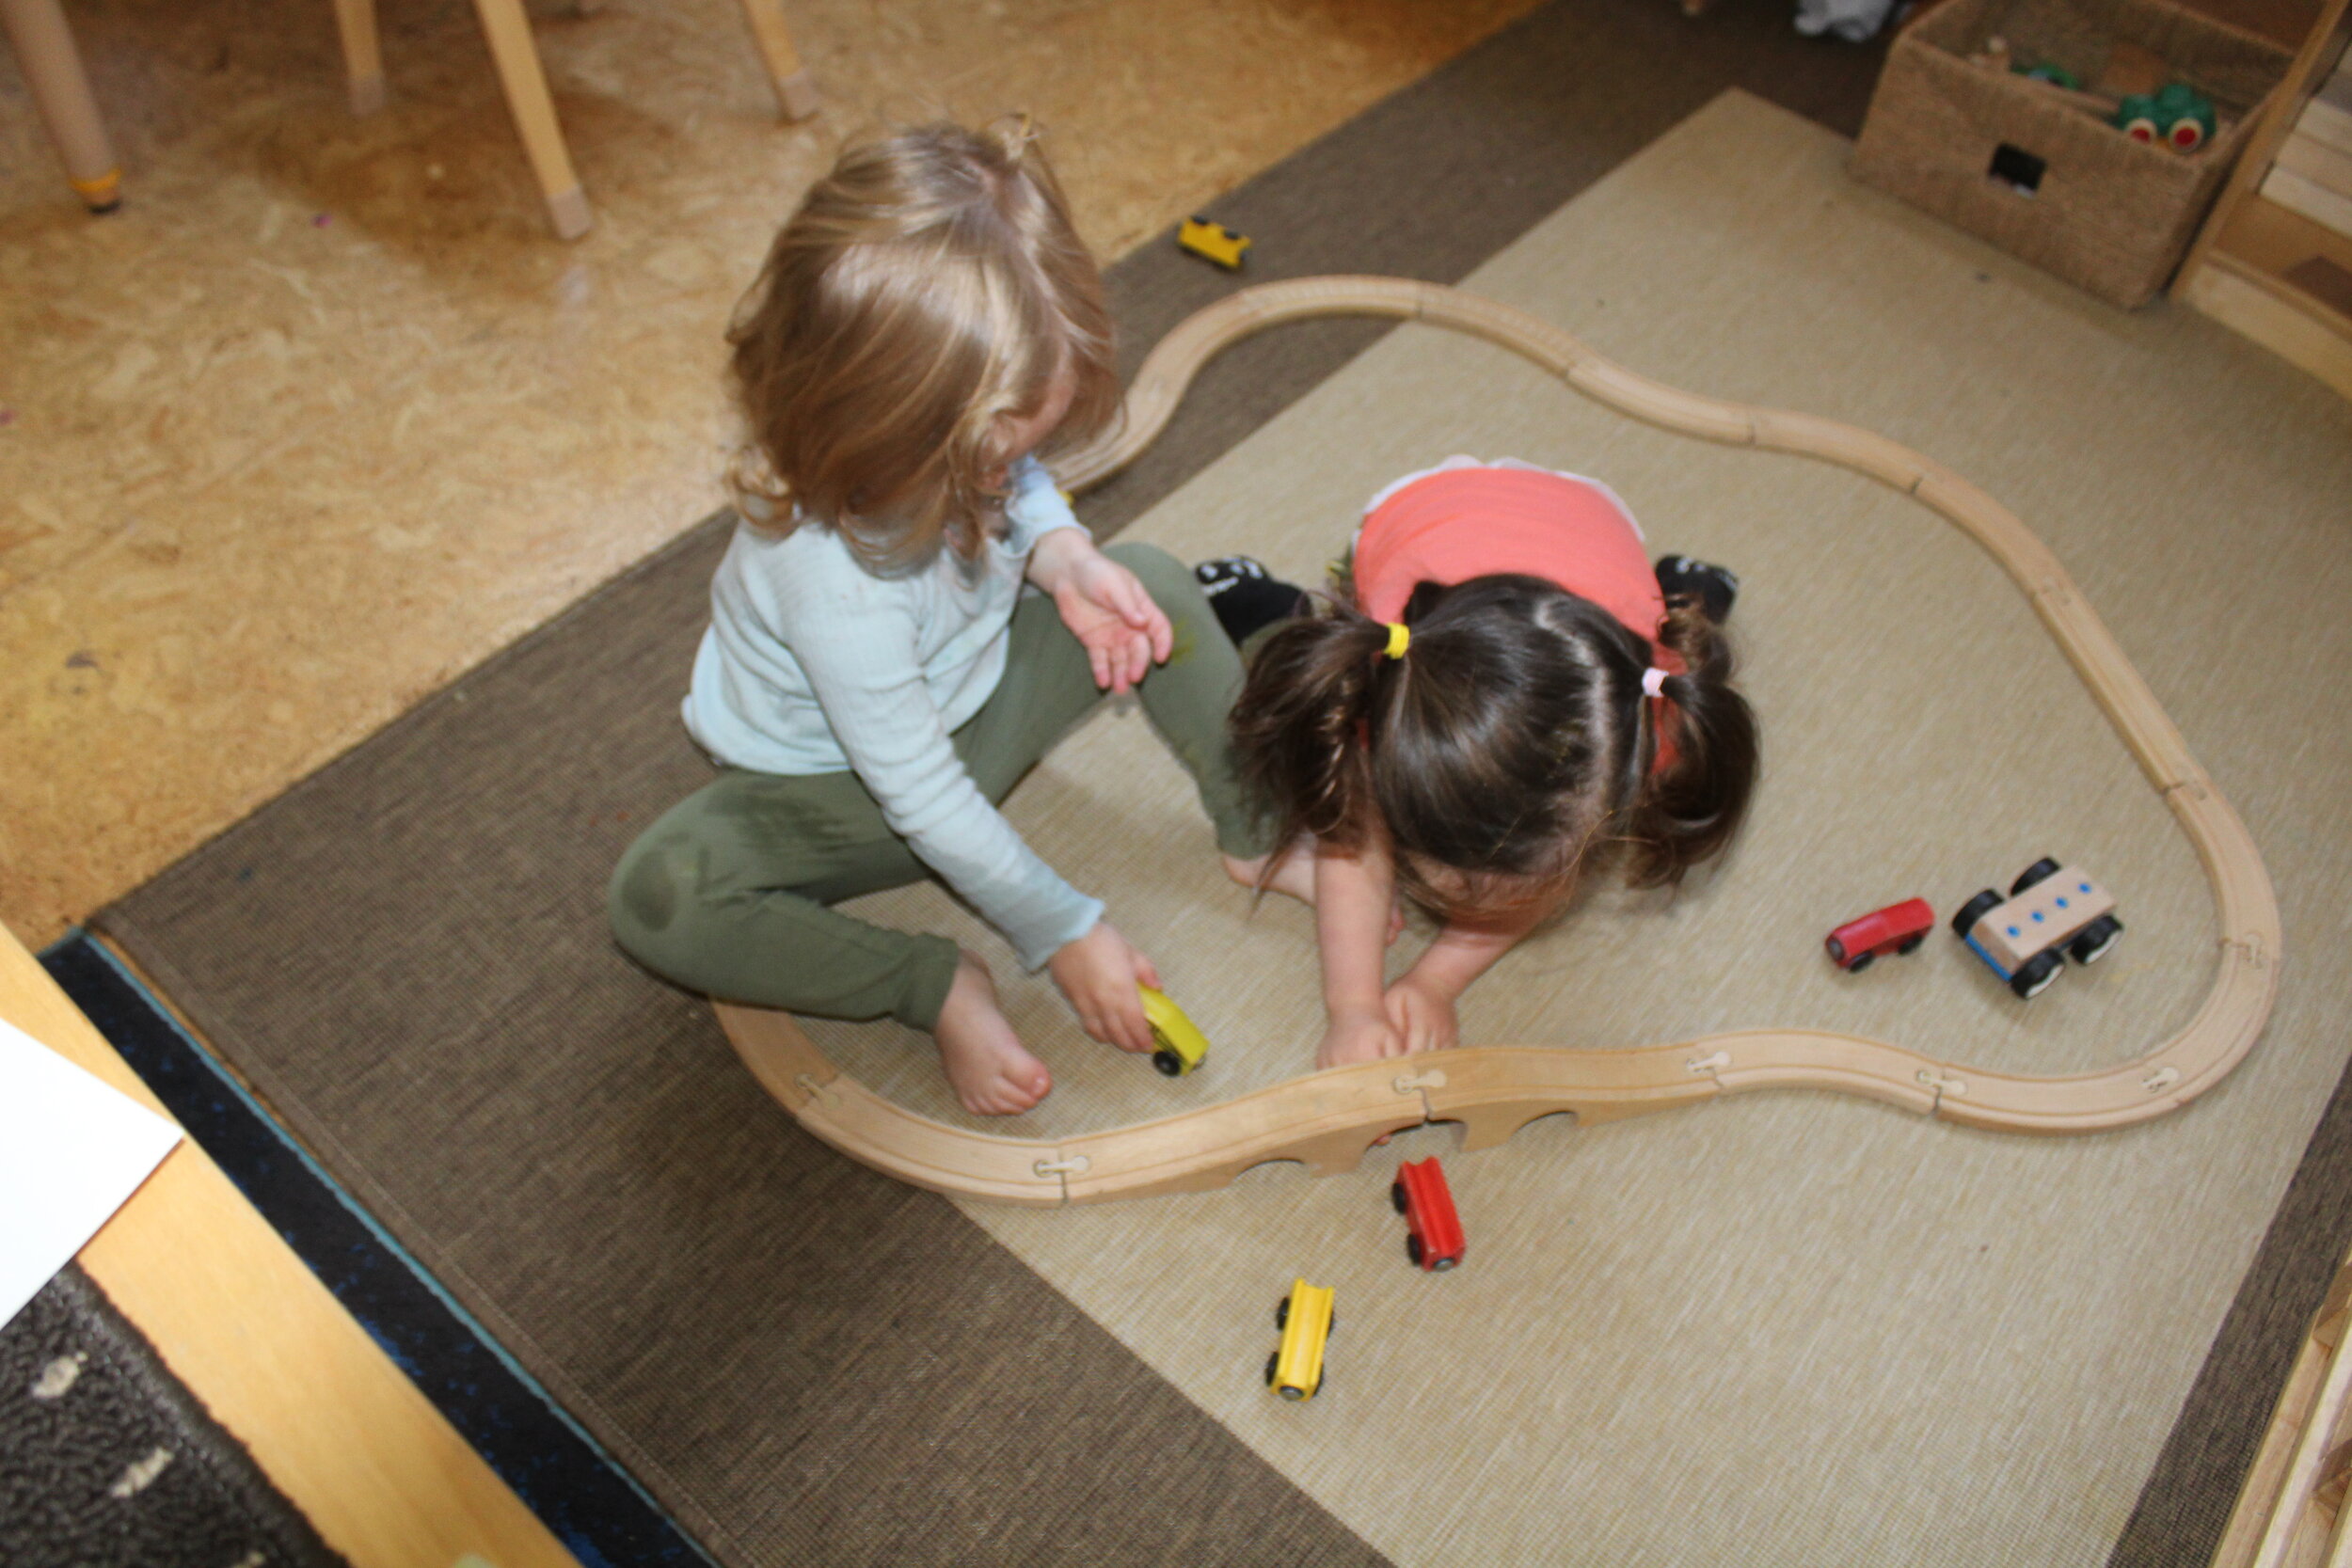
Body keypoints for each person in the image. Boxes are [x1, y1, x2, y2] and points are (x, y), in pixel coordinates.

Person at [608, 119, 1269, 1117]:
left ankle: (1256, 823)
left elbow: (1027, 482)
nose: (1010, 479)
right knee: (660, 896)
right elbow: (921, 796)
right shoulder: (829, 580)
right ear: (877, 431)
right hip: (846, 787)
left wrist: (1064, 554)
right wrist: (1063, 926)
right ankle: (930, 983)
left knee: (1151, 580)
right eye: (992, 467)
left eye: (1015, 456)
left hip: (980, 686)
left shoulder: (952, 442)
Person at [1220, 456, 1758, 1069]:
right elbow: (1351, 840)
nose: (1471, 907)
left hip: (1591, 522)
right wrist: (1353, 1008)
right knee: (1322, 658)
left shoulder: (1653, 720)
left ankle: (1694, 590)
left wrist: (1435, 982)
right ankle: (1263, 602)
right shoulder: (1386, 692)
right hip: (1418, 505)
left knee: (1687, 632)